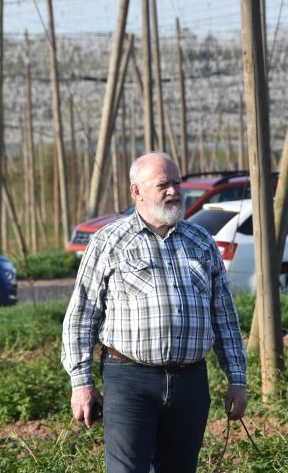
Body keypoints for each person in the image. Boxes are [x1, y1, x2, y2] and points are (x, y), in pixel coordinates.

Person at [62, 151, 248, 472]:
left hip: (190, 381)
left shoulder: (200, 241)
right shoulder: (109, 241)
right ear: (137, 191)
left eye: (176, 183)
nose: (173, 191)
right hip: (129, 379)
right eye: (163, 184)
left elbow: (225, 317)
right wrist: (81, 383)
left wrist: (237, 379)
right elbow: (81, 315)